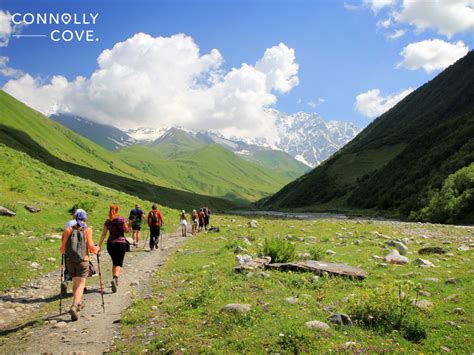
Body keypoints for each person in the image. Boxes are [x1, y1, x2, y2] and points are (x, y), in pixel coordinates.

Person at [59, 210, 99, 321]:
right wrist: (97, 249)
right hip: (83, 260)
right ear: (85, 219)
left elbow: (62, 249)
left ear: (74, 217)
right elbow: (91, 247)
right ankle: (75, 305)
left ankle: (79, 302)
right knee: (81, 284)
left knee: (75, 283)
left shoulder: (68, 229)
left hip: (70, 261)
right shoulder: (87, 230)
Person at [99, 204, 130, 293]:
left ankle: (115, 280)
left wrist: (99, 245)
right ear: (117, 211)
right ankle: (115, 277)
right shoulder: (121, 219)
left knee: (114, 262)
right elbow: (126, 231)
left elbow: (104, 234)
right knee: (119, 263)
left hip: (110, 244)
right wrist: (130, 224)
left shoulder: (107, 222)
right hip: (120, 243)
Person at [61, 208, 86, 295]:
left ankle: (65, 281)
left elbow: (64, 236)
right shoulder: (83, 225)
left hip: (69, 251)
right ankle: (81, 287)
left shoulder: (69, 223)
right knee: (80, 270)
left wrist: (63, 249)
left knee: (68, 268)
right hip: (81, 252)